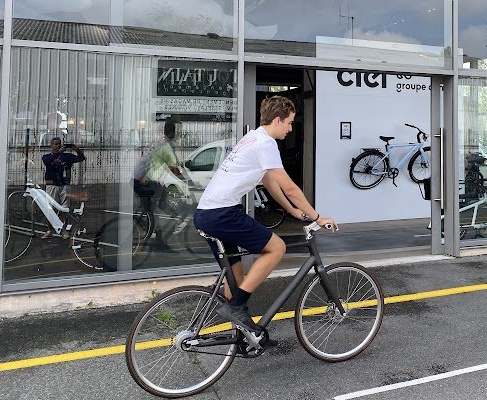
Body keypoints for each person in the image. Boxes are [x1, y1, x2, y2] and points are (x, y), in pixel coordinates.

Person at [193, 96, 337, 337]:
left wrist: (292, 211)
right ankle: (236, 308)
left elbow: (270, 182)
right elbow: (289, 187)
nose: (290, 129)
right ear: (278, 120)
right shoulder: (266, 144)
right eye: (289, 123)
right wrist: (317, 217)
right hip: (222, 214)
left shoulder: (252, 138)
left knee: (236, 279)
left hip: (207, 214)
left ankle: (240, 337)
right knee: (277, 248)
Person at [133, 121, 182, 249]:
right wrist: (184, 178)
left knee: (156, 205)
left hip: (139, 178)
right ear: (173, 132)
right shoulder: (167, 145)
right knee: (155, 207)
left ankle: (151, 230)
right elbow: (173, 167)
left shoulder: (159, 142)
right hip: (144, 179)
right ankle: (156, 235)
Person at [41, 137, 86, 238]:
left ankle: (63, 229)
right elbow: (48, 162)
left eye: (59, 144)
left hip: (64, 185)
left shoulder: (67, 156)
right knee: (51, 208)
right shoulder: (47, 157)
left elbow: (81, 158)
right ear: (51, 146)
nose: (58, 146)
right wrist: (58, 153)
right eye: (56, 144)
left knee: (64, 208)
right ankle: (50, 229)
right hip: (52, 185)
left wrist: (76, 149)